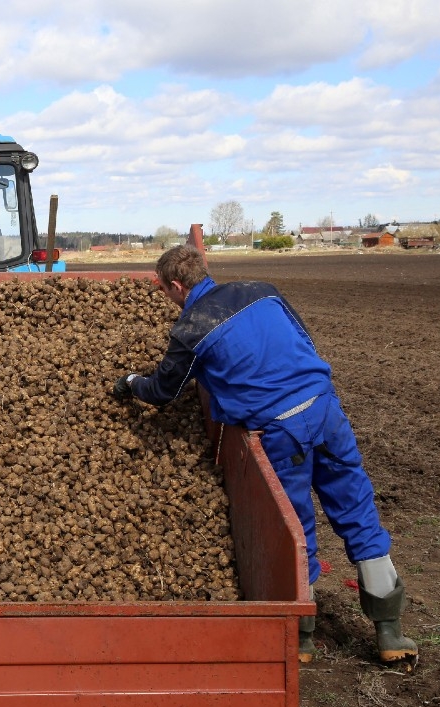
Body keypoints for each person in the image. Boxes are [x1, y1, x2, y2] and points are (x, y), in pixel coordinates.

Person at [112, 244, 417, 668]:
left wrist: (131, 382)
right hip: (325, 409)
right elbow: (304, 340)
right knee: (357, 509)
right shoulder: (264, 291)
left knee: (294, 527)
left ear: (178, 287)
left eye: (164, 290)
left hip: (279, 430)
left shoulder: (192, 328)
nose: (166, 296)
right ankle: (390, 631)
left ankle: (301, 641)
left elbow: (165, 391)